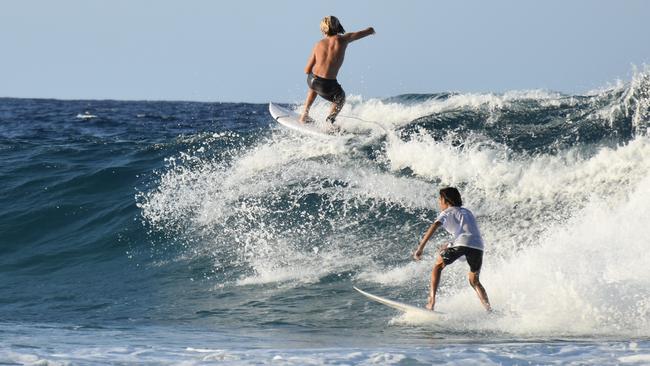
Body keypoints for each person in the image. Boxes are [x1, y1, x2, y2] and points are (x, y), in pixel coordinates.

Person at [412, 187, 492, 312]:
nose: (439, 202)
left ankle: (431, 302)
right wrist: (450, 244)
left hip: (462, 243)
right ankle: (488, 309)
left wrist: (420, 248)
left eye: (440, 199)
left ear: (445, 200)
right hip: (478, 246)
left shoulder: (447, 212)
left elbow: (434, 225)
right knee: (474, 280)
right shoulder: (467, 212)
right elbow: (467, 234)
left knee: (437, 266)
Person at [300, 16, 375, 126]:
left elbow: (307, 70)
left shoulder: (318, 44)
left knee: (313, 87)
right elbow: (367, 31)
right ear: (338, 26)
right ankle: (330, 122)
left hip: (312, 80)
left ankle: (304, 115)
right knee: (341, 98)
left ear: (323, 29)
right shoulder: (344, 39)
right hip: (328, 85)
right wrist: (371, 30)